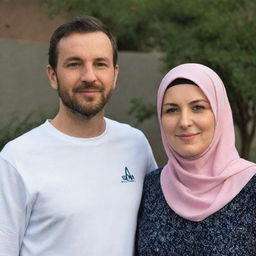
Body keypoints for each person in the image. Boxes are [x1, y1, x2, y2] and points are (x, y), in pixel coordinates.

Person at [0, 16, 157, 256]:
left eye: (100, 64)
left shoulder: (135, 145)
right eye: (75, 64)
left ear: (114, 75)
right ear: (53, 76)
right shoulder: (16, 158)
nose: (89, 76)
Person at [136, 63, 256, 255]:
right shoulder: (151, 187)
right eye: (172, 110)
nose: (184, 122)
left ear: (219, 113)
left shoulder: (251, 186)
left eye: (198, 107)